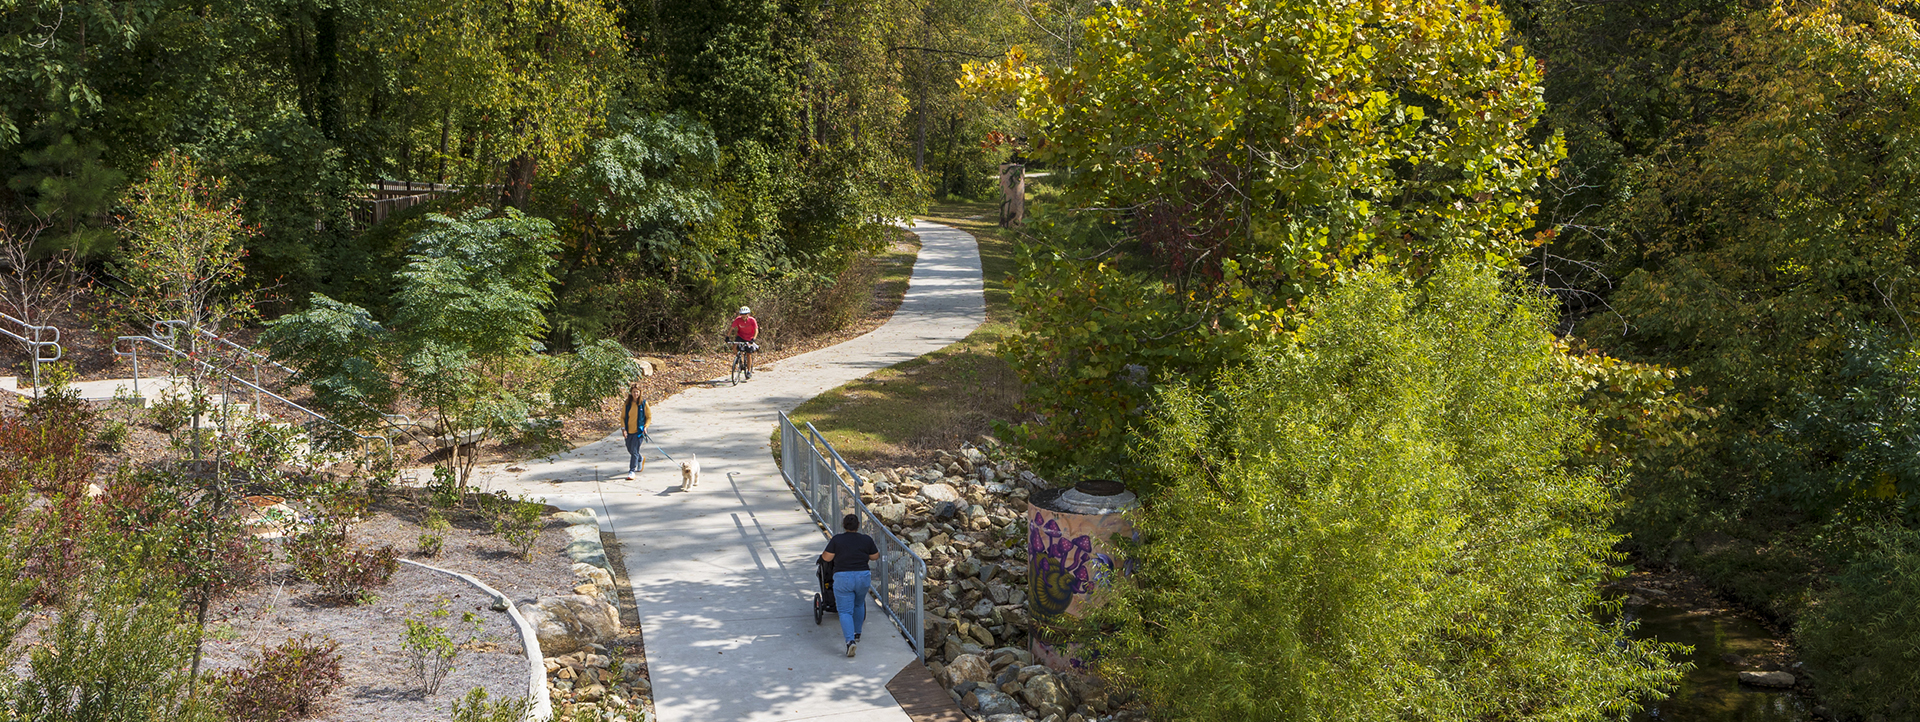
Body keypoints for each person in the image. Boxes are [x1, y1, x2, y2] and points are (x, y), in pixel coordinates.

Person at [820, 513, 879, 657]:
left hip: (843, 577)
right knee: (858, 604)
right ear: (858, 526)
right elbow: (874, 556)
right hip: (862, 577)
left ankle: (850, 642)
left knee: (845, 611)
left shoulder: (837, 540)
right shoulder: (866, 539)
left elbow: (826, 557)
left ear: (844, 526)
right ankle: (857, 633)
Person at [621, 383, 650, 480]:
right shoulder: (627, 404)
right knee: (630, 449)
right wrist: (623, 429)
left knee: (634, 451)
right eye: (634, 392)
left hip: (639, 432)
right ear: (631, 393)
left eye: (637, 392)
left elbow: (648, 417)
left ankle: (631, 471)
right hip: (629, 431)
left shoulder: (643, 403)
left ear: (640, 392)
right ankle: (640, 459)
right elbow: (623, 417)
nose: (635, 394)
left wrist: (645, 427)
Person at [730, 306, 758, 377]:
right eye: (742, 314)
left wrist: (753, 339)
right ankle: (738, 359)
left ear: (748, 314)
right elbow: (732, 328)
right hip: (740, 336)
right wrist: (727, 336)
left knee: (748, 354)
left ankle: (748, 371)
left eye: (745, 314)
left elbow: (756, 330)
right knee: (734, 347)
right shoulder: (738, 319)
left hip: (749, 337)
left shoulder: (752, 320)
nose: (743, 316)